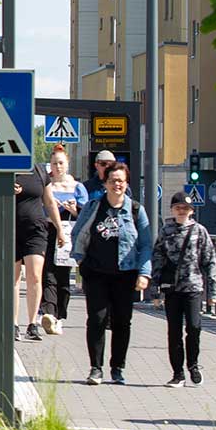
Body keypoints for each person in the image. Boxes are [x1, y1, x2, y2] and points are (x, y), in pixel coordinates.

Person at [71, 164, 154, 385]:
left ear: (126, 183)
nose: (117, 184)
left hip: (125, 274)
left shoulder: (136, 210)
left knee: (122, 322)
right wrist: (80, 259)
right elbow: (78, 232)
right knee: (97, 320)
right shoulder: (93, 207)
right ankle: (95, 368)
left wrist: (144, 273)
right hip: (96, 272)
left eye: (121, 180)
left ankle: (117, 367)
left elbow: (146, 244)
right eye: (112, 180)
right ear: (105, 183)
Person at [151, 191, 216, 387]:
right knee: (174, 331)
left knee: (194, 327)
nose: (182, 211)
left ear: (191, 211)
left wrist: (213, 292)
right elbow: (157, 260)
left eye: (185, 208)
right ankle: (178, 373)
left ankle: (193, 365)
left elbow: (210, 261)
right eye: (178, 208)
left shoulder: (199, 231)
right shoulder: (166, 231)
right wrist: (155, 291)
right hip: (172, 288)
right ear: (172, 210)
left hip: (193, 287)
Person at [40, 146, 88, 335]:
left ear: (67, 164)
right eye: (54, 163)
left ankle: (60, 316)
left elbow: (85, 216)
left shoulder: (77, 188)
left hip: (68, 233)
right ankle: (49, 313)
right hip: (47, 231)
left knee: (63, 276)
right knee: (47, 273)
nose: (58, 167)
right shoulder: (46, 185)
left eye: (61, 163)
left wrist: (73, 210)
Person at [14, 172, 66, 341]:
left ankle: (32, 324)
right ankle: (13, 324)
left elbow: (49, 202)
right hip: (10, 228)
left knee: (35, 276)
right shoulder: (7, 170)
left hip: (36, 231)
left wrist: (59, 228)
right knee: (13, 278)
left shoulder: (40, 172)